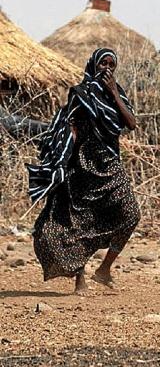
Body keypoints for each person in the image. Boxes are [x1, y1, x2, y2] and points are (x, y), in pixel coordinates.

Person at [27, 48, 139, 295]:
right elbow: (70, 127)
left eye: (111, 64)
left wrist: (113, 93)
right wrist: (62, 162)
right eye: (103, 64)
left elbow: (130, 123)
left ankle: (104, 269)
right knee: (81, 222)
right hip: (83, 165)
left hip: (110, 164)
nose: (107, 69)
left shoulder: (117, 93)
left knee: (131, 214)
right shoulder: (80, 94)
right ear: (93, 65)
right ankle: (80, 280)